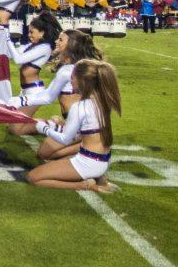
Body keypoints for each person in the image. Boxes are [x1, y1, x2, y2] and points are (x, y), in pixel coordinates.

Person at [27, 59, 120, 192]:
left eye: (72, 78)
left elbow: (65, 139)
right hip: (102, 160)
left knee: (33, 177)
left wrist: (43, 128)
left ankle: (84, 185)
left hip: (88, 163)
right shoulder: (104, 100)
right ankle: (99, 177)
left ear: (83, 81)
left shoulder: (79, 107)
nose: (70, 82)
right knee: (51, 160)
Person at [9, 29, 103, 159]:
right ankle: (89, 145)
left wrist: (18, 101)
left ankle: (89, 146)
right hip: (81, 122)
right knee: (44, 152)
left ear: (72, 44)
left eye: (61, 39)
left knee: (44, 154)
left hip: (82, 125)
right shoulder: (78, 66)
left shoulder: (69, 70)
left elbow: (48, 97)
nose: (56, 42)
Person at [4, 11, 62, 136]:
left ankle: (52, 125)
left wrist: (8, 39)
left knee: (15, 130)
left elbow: (18, 59)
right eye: (29, 32)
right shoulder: (32, 45)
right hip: (25, 91)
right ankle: (48, 122)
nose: (29, 35)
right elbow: (11, 53)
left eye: (32, 32)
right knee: (11, 125)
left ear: (42, 33)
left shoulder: (44, 48)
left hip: (35, 93)